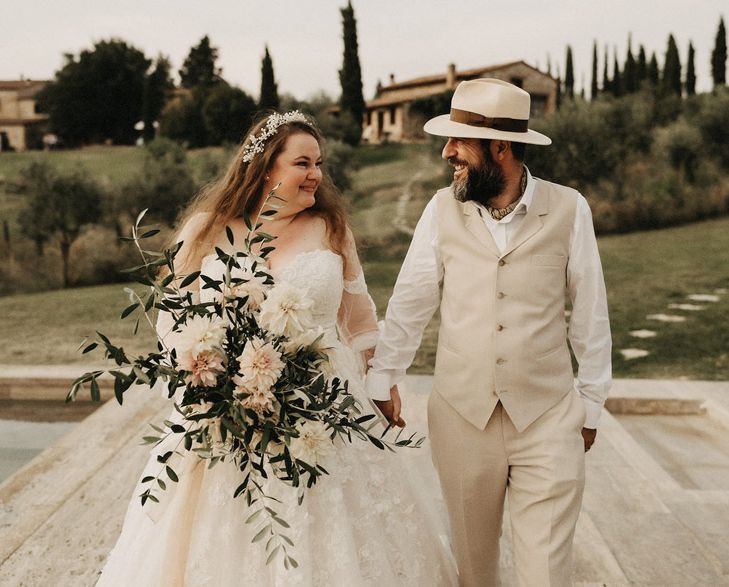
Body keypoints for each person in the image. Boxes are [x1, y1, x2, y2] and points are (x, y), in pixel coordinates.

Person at [97, 112, 457, 586]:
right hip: (227, 413)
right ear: (267, 168)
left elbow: (360, 318)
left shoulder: (330, 228)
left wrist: (381, 381)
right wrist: (203, 369)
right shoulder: (206, 229)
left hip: (326, 406)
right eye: (302, 163)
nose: (316, 174)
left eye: (319, 163)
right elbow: (172, 319)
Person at [367, 79, 612, 587]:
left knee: (546, 572)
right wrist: (383, 375)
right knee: (475, 571)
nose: (446, 151)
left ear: (500, 147)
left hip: (547, 419)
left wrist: (590, 405)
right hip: (461, 418)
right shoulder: (441, 209)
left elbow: (591, 313)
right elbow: (412, 301)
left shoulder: (569, 209)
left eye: (459, 141)